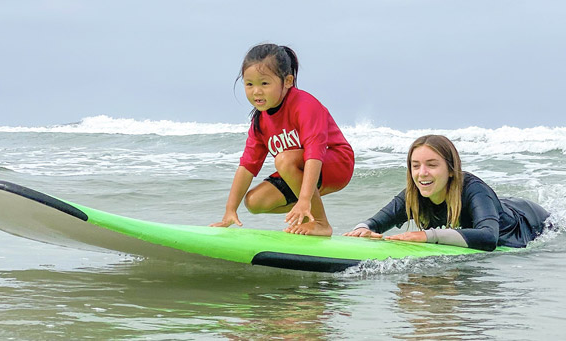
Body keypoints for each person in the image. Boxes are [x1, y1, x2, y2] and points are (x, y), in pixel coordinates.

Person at [210, 43, 354, 236]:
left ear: (287, 81)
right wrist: (230, 210)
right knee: (254, 201)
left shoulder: (304, 105)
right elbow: (247, 166)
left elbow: (314, 153)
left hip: (335, 162)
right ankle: (308, 217)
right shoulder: (260, 121)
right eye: (249, 84)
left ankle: (320, 223)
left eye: (264, 83)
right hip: (301, 169)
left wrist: (304, 199)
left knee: (283, 160)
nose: (256, 91)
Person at [343, 135, 551, 251]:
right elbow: (377, 222)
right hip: (497, 207)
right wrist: (362, 229)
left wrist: (426, 236)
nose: (422, 173)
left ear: (451, 170)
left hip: (530, 222)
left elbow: (488, 238)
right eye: (415, 166)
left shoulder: (473, 189)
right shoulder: (414, 194)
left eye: (431, 165)